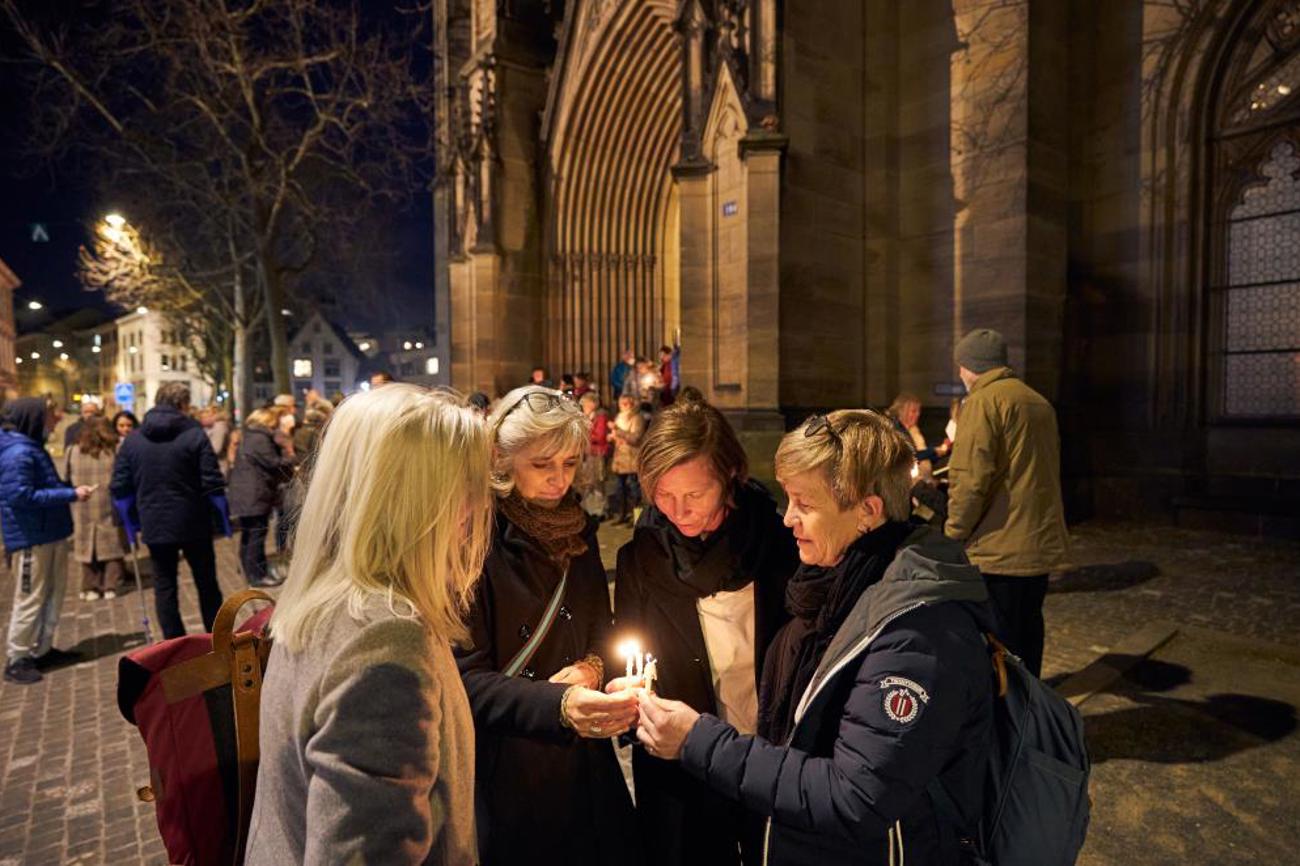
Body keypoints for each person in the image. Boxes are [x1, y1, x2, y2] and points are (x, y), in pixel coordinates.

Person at [634, 410, 996, 866]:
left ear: (867, 510)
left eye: (804, 504)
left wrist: (698, 741)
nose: (788, 519)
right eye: (787, 500)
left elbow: (854, 795)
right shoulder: (831, 586)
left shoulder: (917, 633)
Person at [247, 385, 494, 866]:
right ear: (418, 503)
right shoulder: (386, 642)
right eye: (465, 491)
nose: (473, 513)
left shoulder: (326, 601)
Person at [456, 385, 638, 866]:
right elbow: (464, 679)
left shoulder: (578, 530)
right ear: (501, 456)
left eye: (570, 463)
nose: (559, 480)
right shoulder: (475, 541)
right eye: (542, 465)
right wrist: (556, 703)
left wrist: (593, 671)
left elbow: (602, 626)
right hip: (509, 766)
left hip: (582, 764)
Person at [611, 399, 798, 866]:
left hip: (770, 761)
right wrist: (626, 693)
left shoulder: (779, 545)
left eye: (695, 494)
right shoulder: (641, 559)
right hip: (682, 776)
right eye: (663, 494)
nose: (679, 511)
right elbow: (630, 657)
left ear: (730, 476)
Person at [944, 328, 1069, 677]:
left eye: (960, 366)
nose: (959, 373)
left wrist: (953, 533)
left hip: (999, 546)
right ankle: (1031, 706)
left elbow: (971, 478)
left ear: (970, 366)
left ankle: (1007, 717)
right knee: (1029, 630)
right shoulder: (1036, 401)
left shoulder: (983, 402)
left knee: (999, 640)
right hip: (1035, 543)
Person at [111, 382, 226, 639]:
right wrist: (219, 515)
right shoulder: (195, 435)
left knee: (165, 586)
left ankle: (175, 644)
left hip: (155, 522)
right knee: (207, 583)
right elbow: (212, 480)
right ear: (183, 405)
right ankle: (217, 640)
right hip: (194, 521)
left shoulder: (133, 440)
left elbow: (119, 485)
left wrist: (130, 519)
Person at [1, 398, 93, 684]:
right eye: (50, 415)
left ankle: (41, 649)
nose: (56, 419)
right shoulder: (18, 452)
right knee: (30, 597)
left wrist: (66, 490)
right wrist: (70, 494)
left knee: (52, 593)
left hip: (48, 533)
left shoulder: (29, 448)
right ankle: (18, 657)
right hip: (32, 537)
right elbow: (20, 496)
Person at [228, 408, 295, 588]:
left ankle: (248, 570)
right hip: (255, 492)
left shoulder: (249, 435)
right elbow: (272, 463)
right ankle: (257, 575)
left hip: (247, 491)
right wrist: (292, 459)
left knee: (249, 533)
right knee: (256, 534)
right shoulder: (260, 438)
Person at [65, 416, 127, 601]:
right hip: (108, 501)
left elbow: (66, 476)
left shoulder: (72, 451)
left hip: (83, 501)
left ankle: (89, 586)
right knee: (112, 543)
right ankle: (110, 586)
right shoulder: (114, 450)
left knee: (86, 545)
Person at [608, 393, 645, 524]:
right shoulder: (619, 416)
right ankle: (622, 514)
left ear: (632, 404)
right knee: (621, 489)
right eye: (621, 404)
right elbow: (619, 435)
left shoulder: (637, 418)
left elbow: (635, 438)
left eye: (626, 404)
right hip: (620, 459)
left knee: (635, 490)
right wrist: (612, 437)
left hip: (631, 458)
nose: (623, 406)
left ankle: (637, 518)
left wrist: (618, 431)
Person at [576, 391, 609, 512]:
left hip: (597, 453)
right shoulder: (588, 417)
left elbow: (600, 436)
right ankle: (590, 508)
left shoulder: (600, 416)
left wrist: (584, 434)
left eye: (585, 404)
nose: (583, 407)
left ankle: (600, 510)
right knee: (588, 483)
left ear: (592, 404)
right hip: (588, 453)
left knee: (597, 482)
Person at [200, 407, 232, 475]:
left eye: (205, 417)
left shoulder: (219, 426)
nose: (202, 419)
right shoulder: (211, 427)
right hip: (213, 466)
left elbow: (216, 449)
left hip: (218, 466)